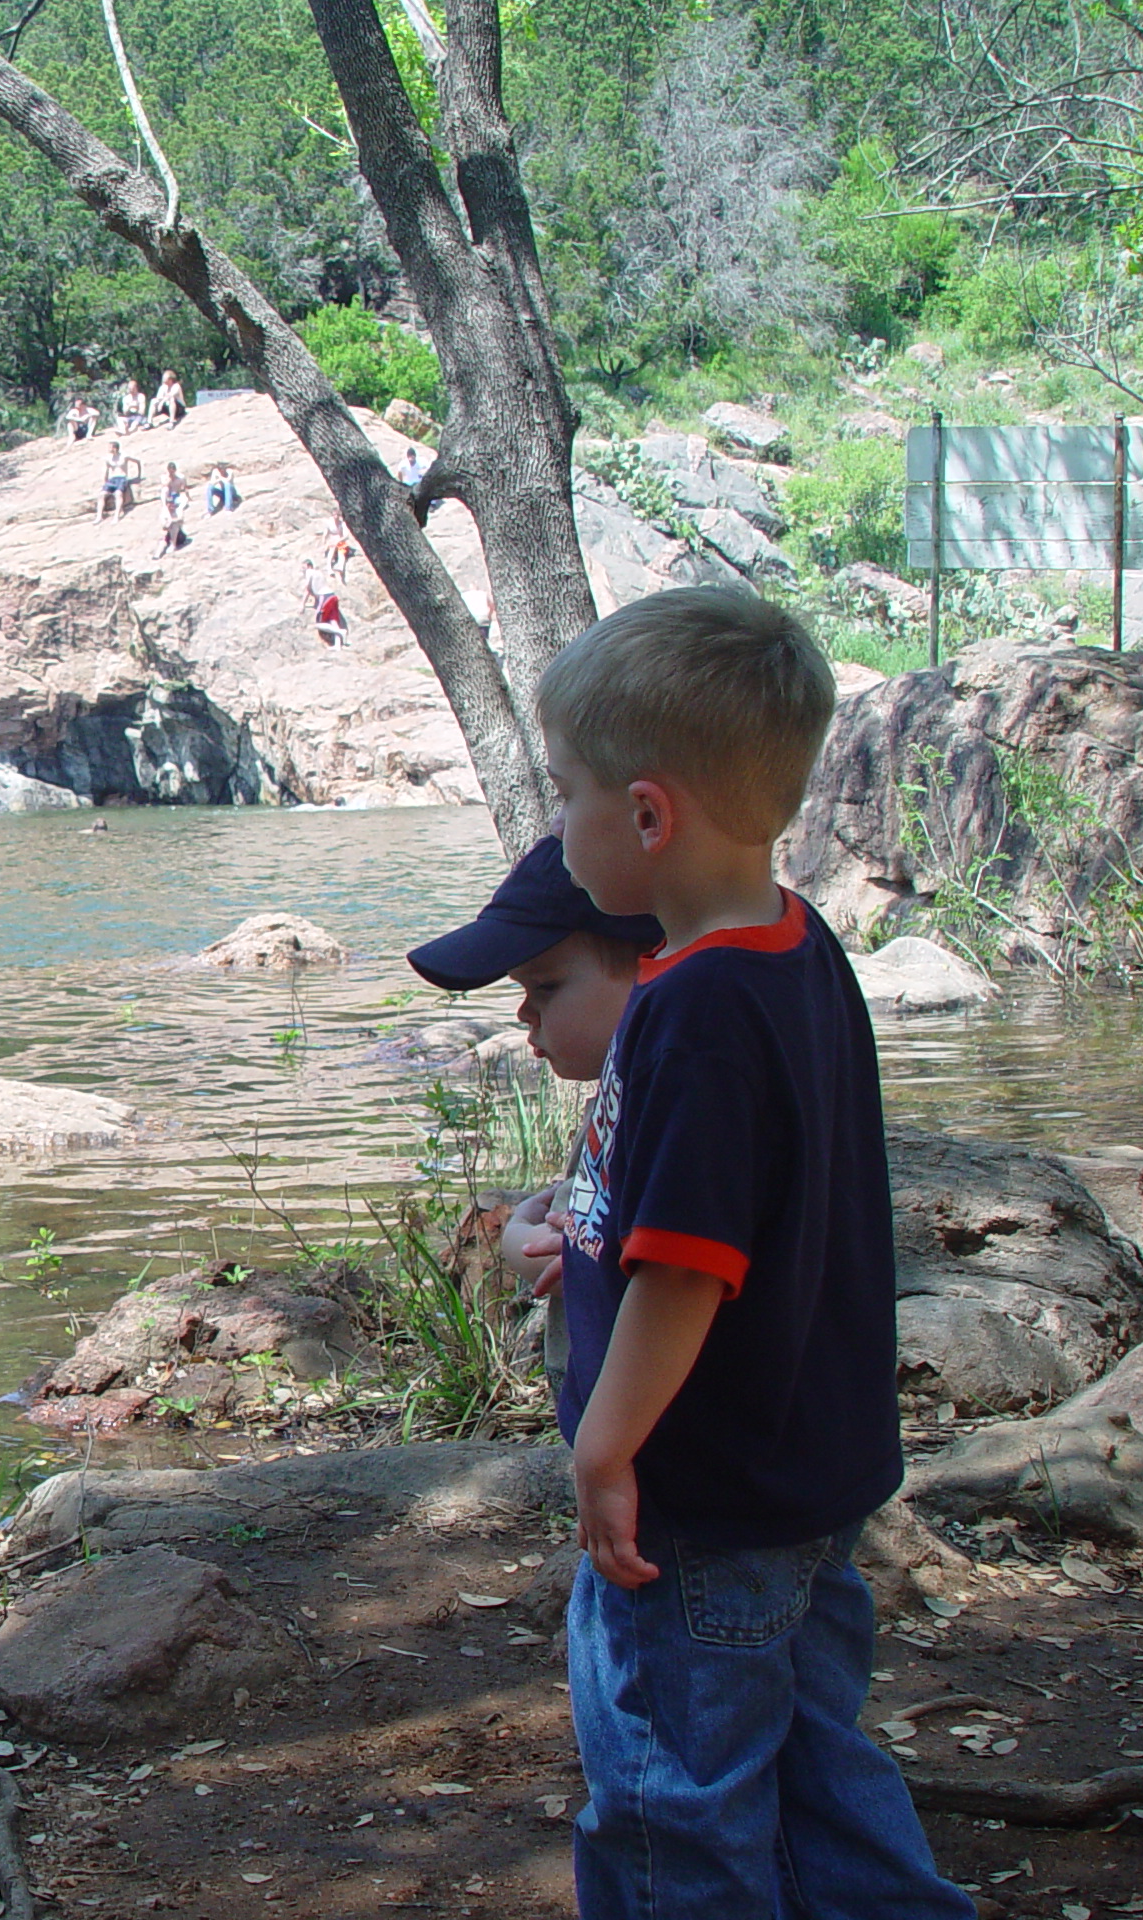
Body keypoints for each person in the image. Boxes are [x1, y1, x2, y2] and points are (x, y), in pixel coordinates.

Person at [536, 586, 974, 1920]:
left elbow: (690, 1271)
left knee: (677, 1799)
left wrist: (606, 1450)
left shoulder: (697, 1013)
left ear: (650, 815)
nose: (563, 826)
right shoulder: (798, 948)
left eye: (570, 794)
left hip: (706, 1504)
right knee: (813, 1762)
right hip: (810, 1477)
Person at [407, 836, 662, 1396]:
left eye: (545, 985)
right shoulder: (633, 1099)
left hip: (639, 1433)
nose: (524, 1011)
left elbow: (597, 1267)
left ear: (653, 969)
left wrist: (517, 1236)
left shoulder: (661, 1116)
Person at [96, 440, 141, 521]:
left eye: (110, 447)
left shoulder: (124, 456)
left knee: (118, 494)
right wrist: (104, 483)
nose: (108, 449)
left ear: (115, 448)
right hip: (112, 479)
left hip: (122, 478)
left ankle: (116, 516)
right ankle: (99, 517)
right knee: (102, 495)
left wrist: (138, 476)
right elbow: (106, 472)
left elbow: (137, 462)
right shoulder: (108, 458)